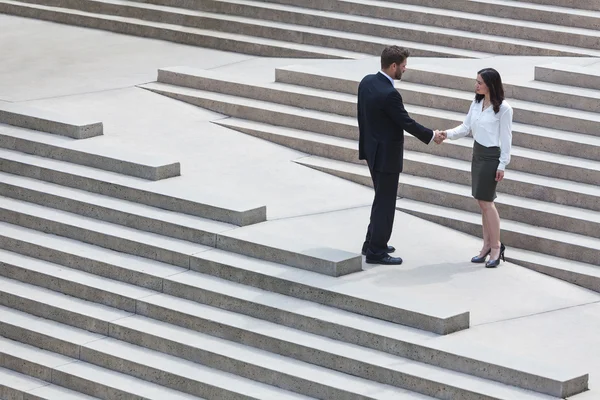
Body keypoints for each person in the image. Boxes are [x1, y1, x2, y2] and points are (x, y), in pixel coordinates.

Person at [358, 45, 445, 265]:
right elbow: (406, 122)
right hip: (386, 156)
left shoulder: (367, 82)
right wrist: (431, 135)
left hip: (371, 151)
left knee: (380, 199)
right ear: (394, 65)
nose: (405, 69)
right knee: (385, 202)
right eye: (404, 66)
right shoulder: (390, 94)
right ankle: (376, 251)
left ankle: (371, 242)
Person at [440, 68, 513, 268]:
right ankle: (487, 245)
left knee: (487, 203)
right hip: (477, 154)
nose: (477, 85)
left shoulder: (504, 109)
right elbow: (465, 128)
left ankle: (496, 247)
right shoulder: (477, 103)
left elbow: (506, 139)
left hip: (491, 158)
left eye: (480, 82)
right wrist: (446, 134)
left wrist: (502, 164)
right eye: (476, 81)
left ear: (491, 84)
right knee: (482, 203)